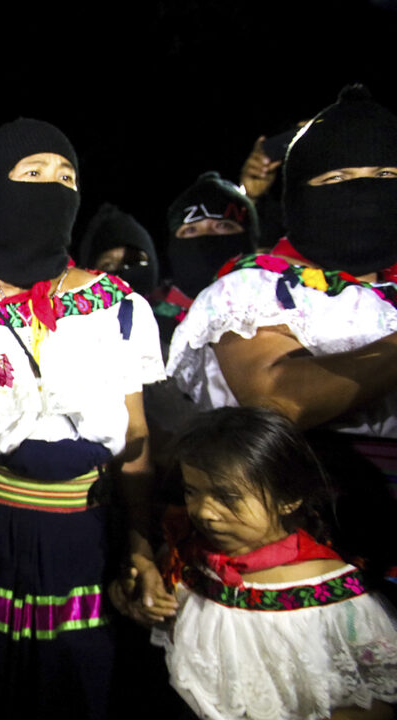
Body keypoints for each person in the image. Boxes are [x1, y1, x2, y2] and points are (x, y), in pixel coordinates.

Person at [0, 118, 165, 718]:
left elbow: (136, 436)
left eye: (66, 177)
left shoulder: (116, 306)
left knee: (70, 695)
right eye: (32, 174)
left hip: (80, 543)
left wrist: (140, 542)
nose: (53, 187)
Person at [166, 85, 397, 590]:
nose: (363, 192)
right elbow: (277, 398)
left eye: (385, 176)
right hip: (313, 535)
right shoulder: (260, 288)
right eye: (337, 178)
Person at [156, 406, 397, 720]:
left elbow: (369, 704)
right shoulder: (194, 568)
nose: (204, 512)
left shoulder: (337, 600)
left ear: (289, 498)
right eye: (192, 492)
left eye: (227, 497)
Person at [152, 171, 259, 346]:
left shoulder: (281, 312)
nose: (207, 238)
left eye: (223, 226)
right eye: (191, 230)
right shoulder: (145, 324)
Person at [78, 201, 158, 296]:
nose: (123, 270)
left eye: (133, 259)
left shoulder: (175, 305)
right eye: (108, 265)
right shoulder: (68, 307)